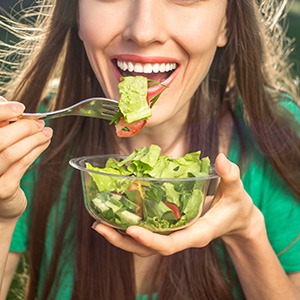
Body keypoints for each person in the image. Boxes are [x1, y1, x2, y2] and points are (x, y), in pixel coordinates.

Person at [0, 0, 300, 299]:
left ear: (227, 23)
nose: (143, 32)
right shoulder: (29, 140)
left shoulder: (276, 136)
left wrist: (246, 231)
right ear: (76, 12)